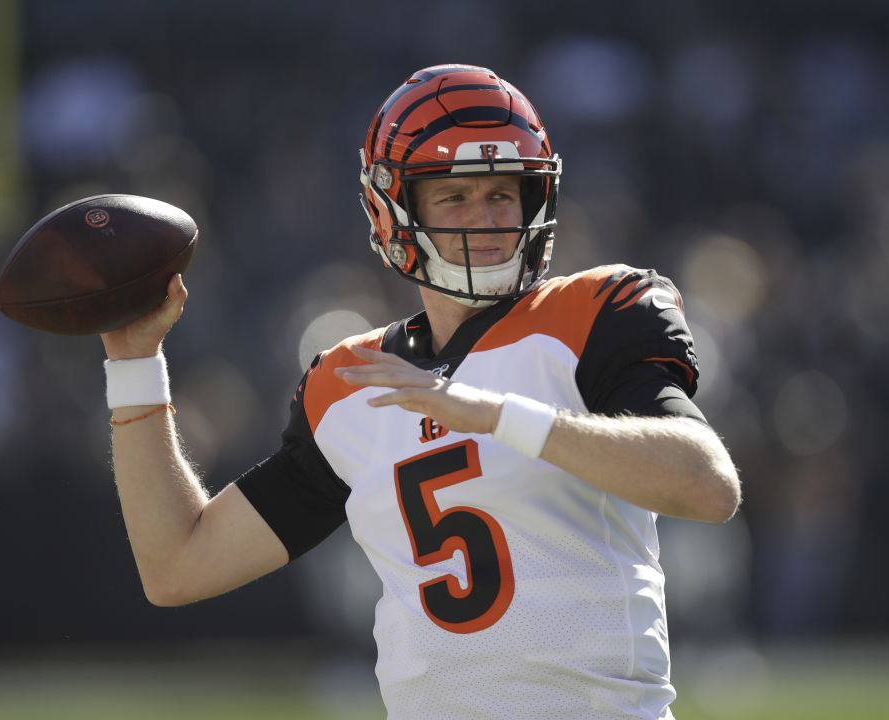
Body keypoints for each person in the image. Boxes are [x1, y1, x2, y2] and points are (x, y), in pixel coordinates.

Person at [100, 64, 740, 720]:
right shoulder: (351, 383)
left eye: (502, 194)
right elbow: (179, 566)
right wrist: (133, 361)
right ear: (394, 208)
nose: (485, 219)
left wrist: (491, 413)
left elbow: (707, 484)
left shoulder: (596, 312)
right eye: (454, 197)